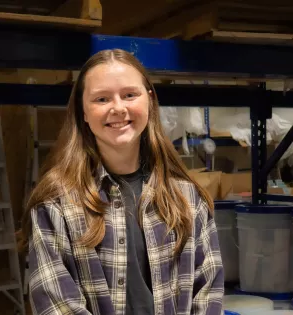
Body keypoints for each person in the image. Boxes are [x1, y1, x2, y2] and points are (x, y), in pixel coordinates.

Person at [18, 48, 224, 315]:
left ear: (149, 100)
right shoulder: (56, 203)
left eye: (129, 95)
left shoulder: (188, 198)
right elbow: (56, 305)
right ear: (83, 111)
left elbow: (209, 295)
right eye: (102, 99)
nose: (118, 108)